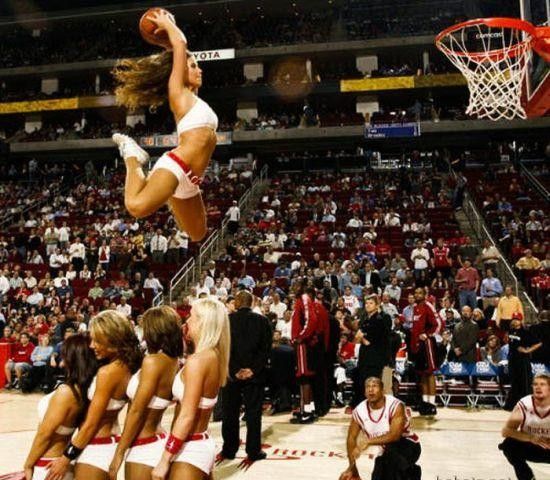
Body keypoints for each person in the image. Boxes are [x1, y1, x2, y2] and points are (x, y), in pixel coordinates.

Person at [112, 10, 218, 241]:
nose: (199, 69)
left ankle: (167, 192)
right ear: (179, 71)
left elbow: (178, 49)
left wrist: (166, 45)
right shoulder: (178, 92)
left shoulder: (193, 97)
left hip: (191, 179)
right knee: (136, 206)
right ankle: (133, 156)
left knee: (198, 234)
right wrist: (167, 24)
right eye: (193, 65)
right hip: (176, 166)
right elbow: (181, 43)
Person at [46, 311, 142, 480]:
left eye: (97, 340)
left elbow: (91, 423)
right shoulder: (128, 365)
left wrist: (66, 457)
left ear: (112, 339)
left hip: (96, 447)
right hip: (108, 442)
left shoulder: (108, 373)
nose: (91, 345)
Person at [151, 297, 230, 480]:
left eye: (191, 316)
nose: (187, 321)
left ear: (203, 322)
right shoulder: (213, 355)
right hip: (197, 443)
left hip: (189, 447)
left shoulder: (198, 361)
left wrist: (165, 459)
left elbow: (187, 415)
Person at [109, 306, 182, 480]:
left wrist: (119, 453)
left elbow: (137, 410)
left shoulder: (153, 361)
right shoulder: (173, 361)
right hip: (157, 439)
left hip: (143, 446)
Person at [24, 334, 98, 480]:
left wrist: (28, 464)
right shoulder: (83, 389)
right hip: (62, 463)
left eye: (64, 356)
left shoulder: (66, 392)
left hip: (47, 466)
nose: (61, 361)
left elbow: (45, 434)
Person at [219, 290, 272, 463]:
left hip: (231, 375)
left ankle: (229, 449)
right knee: (253, 413)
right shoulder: (262, 321)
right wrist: (252, 370)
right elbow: (266, 350)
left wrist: (235, 370)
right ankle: (254, 450)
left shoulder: (226, 321)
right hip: (254, 376)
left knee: (230, 412)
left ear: (236, 303)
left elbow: (223, 348)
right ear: (252, 303)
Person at [339, 377, 421, 480]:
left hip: (408, 444)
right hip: (384, 451)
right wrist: (352, 467)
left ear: (383, 391)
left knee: (391, 459)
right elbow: (351, 438)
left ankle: (412, 473)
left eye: (374, 386)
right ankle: (410, 473)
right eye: (367, 387)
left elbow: (394, 436)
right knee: (378, 471)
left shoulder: (396, 405)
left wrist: (368, 441)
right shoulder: (359, 411)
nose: (371, 390)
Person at [499, 373, 550, 480]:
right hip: (531, 446)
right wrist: (530, 438)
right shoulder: (525, 404)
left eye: (542, 384)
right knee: (508, 445)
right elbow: (506, 431)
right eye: (535, 384)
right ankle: (527, 477)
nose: (538, 387)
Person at [290, 281, 321, 423]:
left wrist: (300, 337)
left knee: (304, 377)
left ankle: (307, 412)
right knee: (303, 378)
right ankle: (308, 409)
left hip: (303, 344)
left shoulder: (304, 298)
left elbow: (311, 320)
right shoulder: (300, 300)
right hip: (301, 344)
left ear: (302, 287)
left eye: (296, 285)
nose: (293, 287)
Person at [353, 295, 391, 407]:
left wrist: (362, 337)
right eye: (366, 303)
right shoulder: (365, 319)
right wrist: (362, 338)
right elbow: (356, 339)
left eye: (371, 303)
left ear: (377, 305)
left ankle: (375, 406)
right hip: (365, 356)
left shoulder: (380, 319)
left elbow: (369, 341)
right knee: (363, 381)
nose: (368, 305)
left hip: (375, 357)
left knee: (373, 383)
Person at [411, 288, 439, 415]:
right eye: (416, 293)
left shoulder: (428, 306)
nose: (417, 295)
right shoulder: (415, 308)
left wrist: (427, 335)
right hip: (417, 345)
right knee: (422, 373)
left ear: (425, 295)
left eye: (420, 293)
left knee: (429, 373)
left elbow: (438, 324)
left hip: (427, 344)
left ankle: (432, 404)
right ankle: (425, 403)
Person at [504, 319, 543, 411]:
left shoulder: (525, 332)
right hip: (512, 360)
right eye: (513, 319)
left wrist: (528, 350)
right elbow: (508, 341)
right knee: (514, 382)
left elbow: (539, 343)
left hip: (522, 360)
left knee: (524, 382)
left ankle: (527, 406)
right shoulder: (510, 331)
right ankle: (512, 405)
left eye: (517, 320)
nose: (515, 321)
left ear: (521, 321)